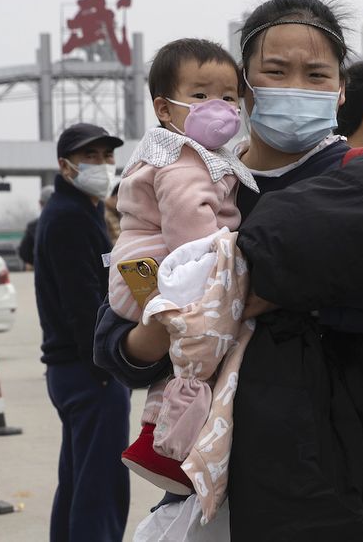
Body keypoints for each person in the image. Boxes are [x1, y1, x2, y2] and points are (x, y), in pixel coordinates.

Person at [95, 0, 363, 542]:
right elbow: (117, 333)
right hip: (211, 490)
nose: (295, 87)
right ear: (244, 87)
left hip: (349, 483)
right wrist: (166, 325)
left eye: (316, 74)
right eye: (275, 71)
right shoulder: (188, 182)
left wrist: (275, 292)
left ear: (340, 90)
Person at [110, 38, 257, 501]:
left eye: (229, 96)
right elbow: (191, 228)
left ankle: (165, 436)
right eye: (200, 95)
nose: (219, 107)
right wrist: (227, 272)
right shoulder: (182, 160)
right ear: (165, 108)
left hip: (150, 273)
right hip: (172, 270)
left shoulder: (191, 156)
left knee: (181, 363)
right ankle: (170, 446)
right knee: (198, 356)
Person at [34, 122, 130, 542]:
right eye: (90, 156)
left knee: (79, 479)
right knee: (100, 487)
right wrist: (108, 362)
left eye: (107, 156)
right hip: (90, 371)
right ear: (65, 166)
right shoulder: (69, 218)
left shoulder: (83, 210)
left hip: (75, 371)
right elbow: (82, 306)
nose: (102, 164)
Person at [18, 185, 54, 269]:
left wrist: (37, 263)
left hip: (44, 274)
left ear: (40, 203)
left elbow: (24, 252)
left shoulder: (33, 227)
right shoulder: (70, 223)